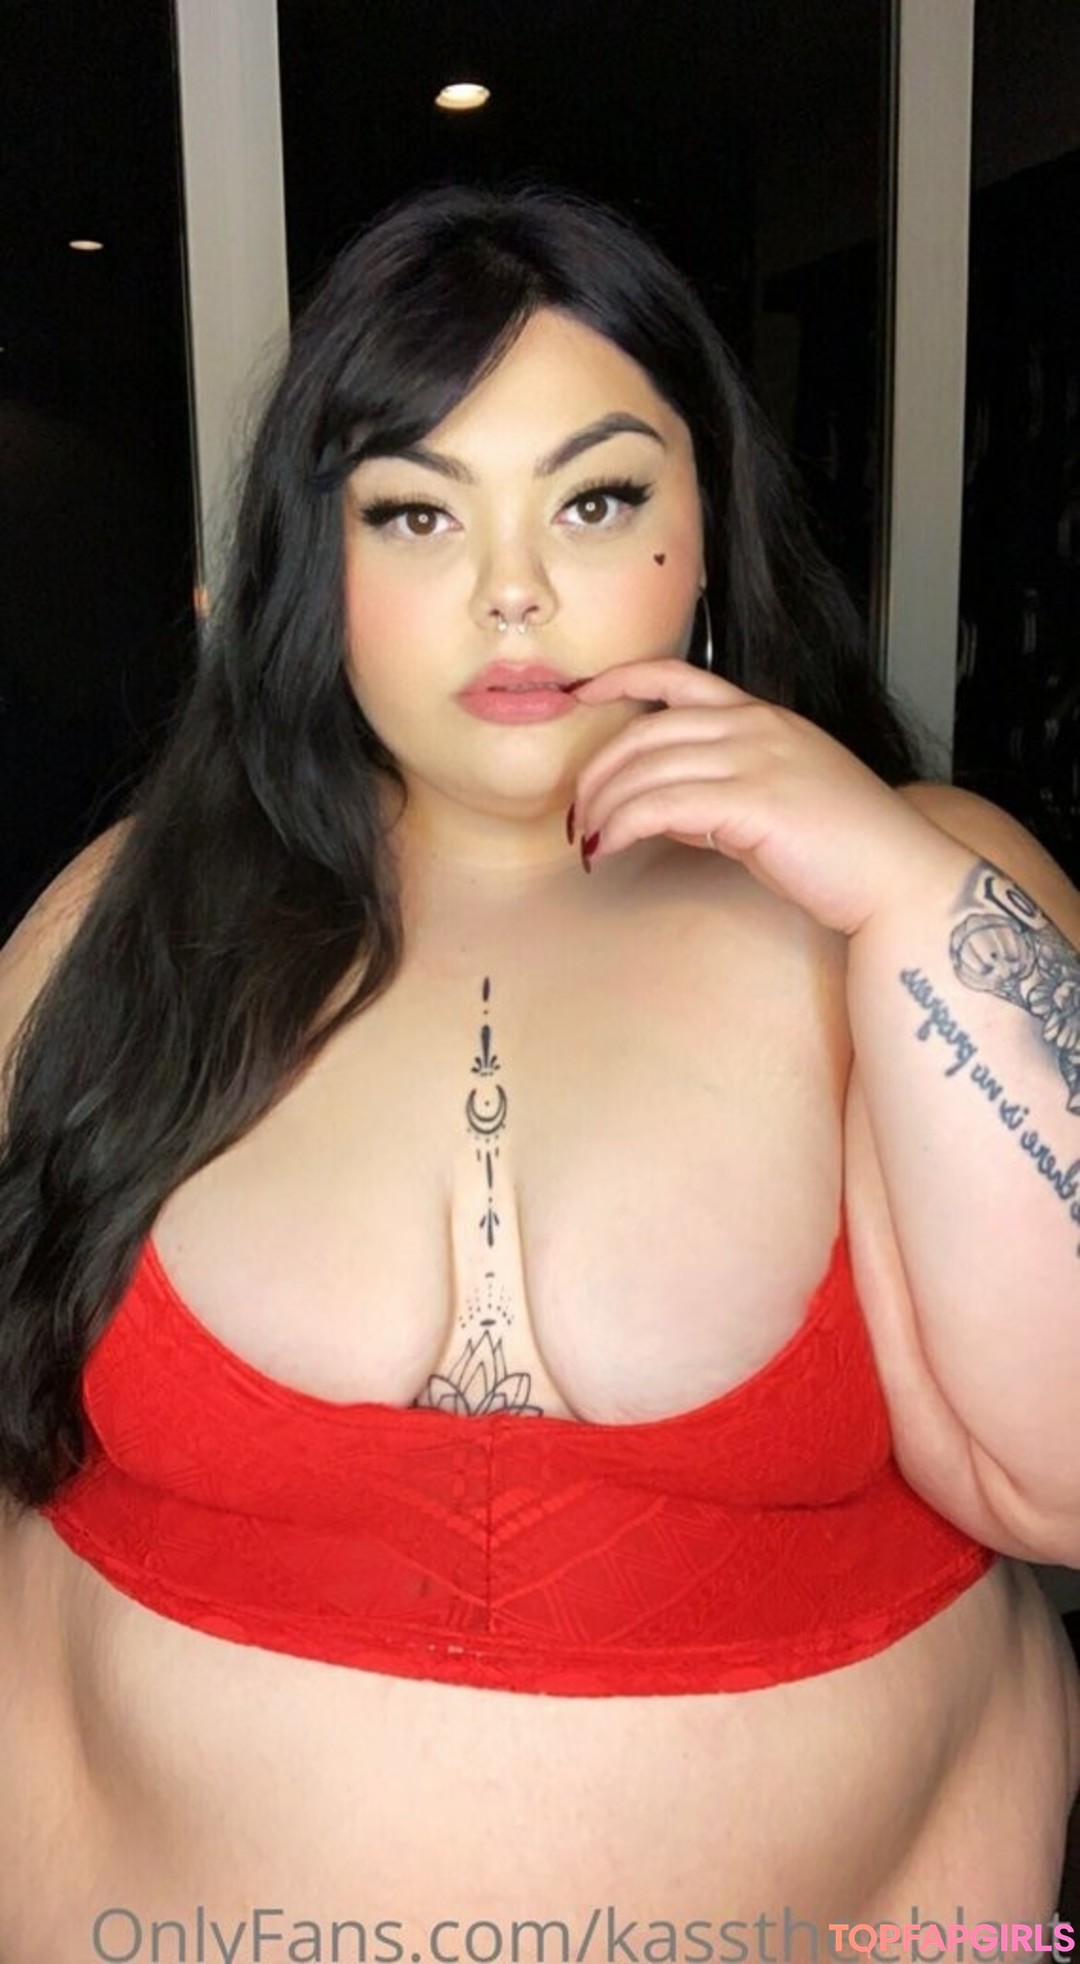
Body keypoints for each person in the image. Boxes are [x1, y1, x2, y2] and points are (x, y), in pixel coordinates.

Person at [1, 182, 1078, 1964]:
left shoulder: (930, 886)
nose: (513, 590)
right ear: (316, 569)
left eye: (595, 499)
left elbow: (1063, 1471)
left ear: (708, 527)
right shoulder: (121, 921)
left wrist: (896, 890)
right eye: (415, 513)